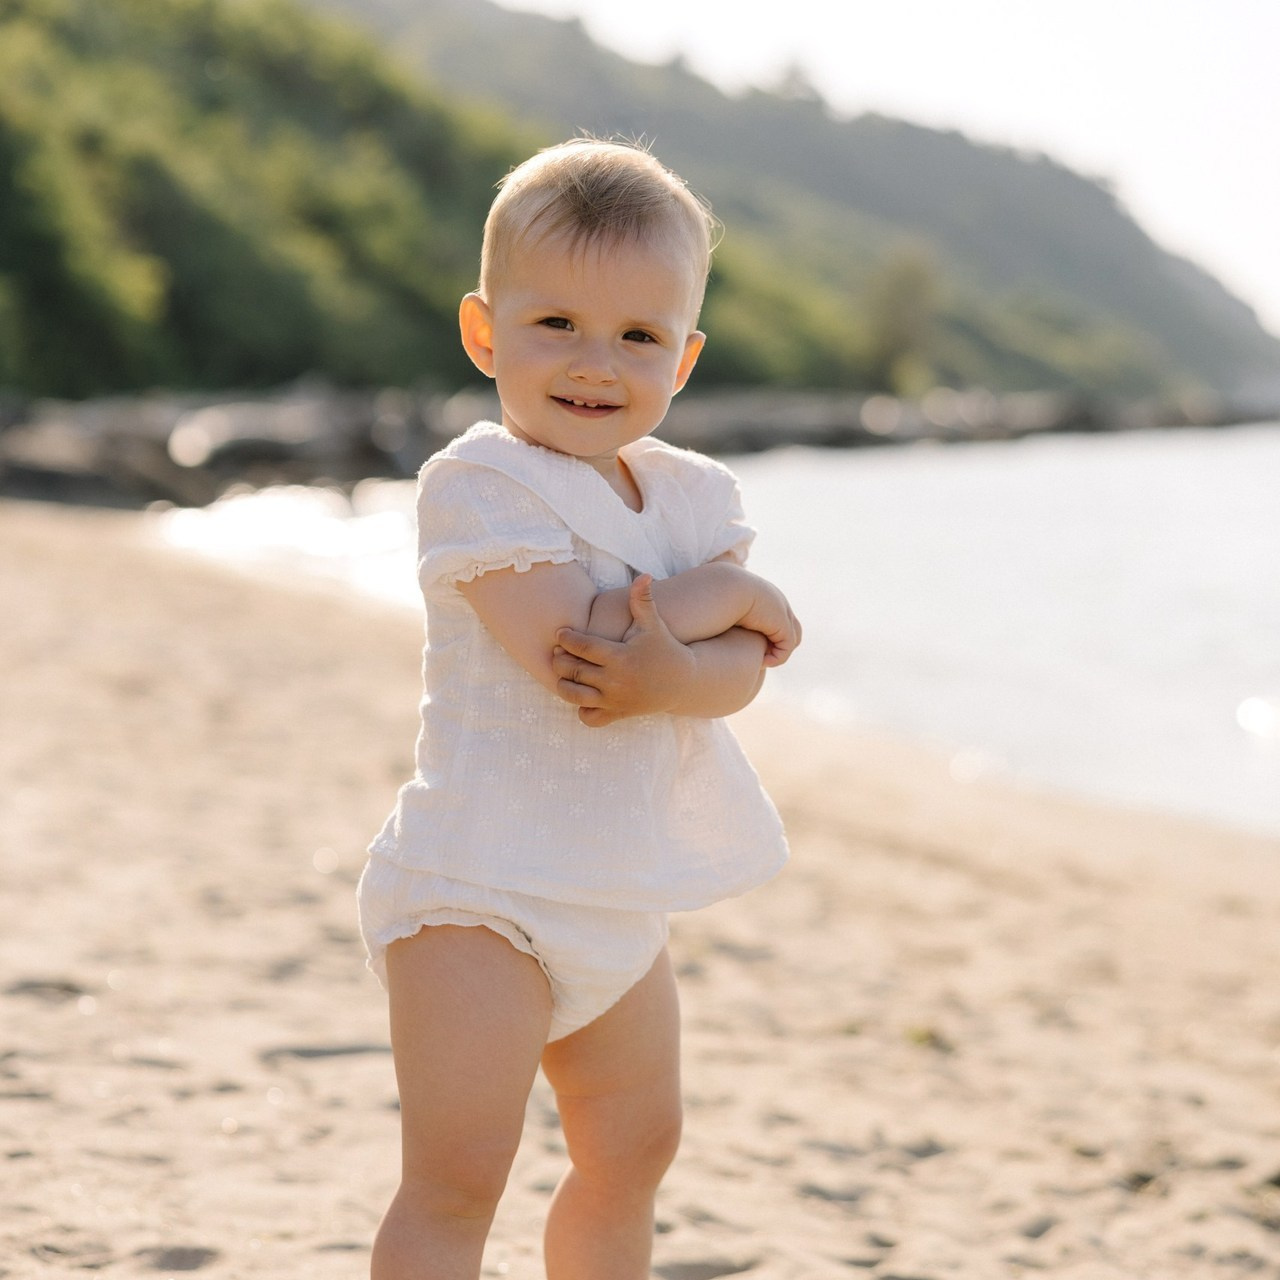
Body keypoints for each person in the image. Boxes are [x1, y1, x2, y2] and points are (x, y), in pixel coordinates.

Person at [358, 136, 802, 1280]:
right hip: (478, 890)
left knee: (634, 1149)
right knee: (458, 1174)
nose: (595, 363)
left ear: (683, 357)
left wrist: (687, 669)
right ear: (484, 332)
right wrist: (729, 599)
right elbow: (580, 651)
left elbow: (734, 674)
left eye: (638, 336)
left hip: (615, 887)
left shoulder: (692, 495)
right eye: (555, 322)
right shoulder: (479, 483)